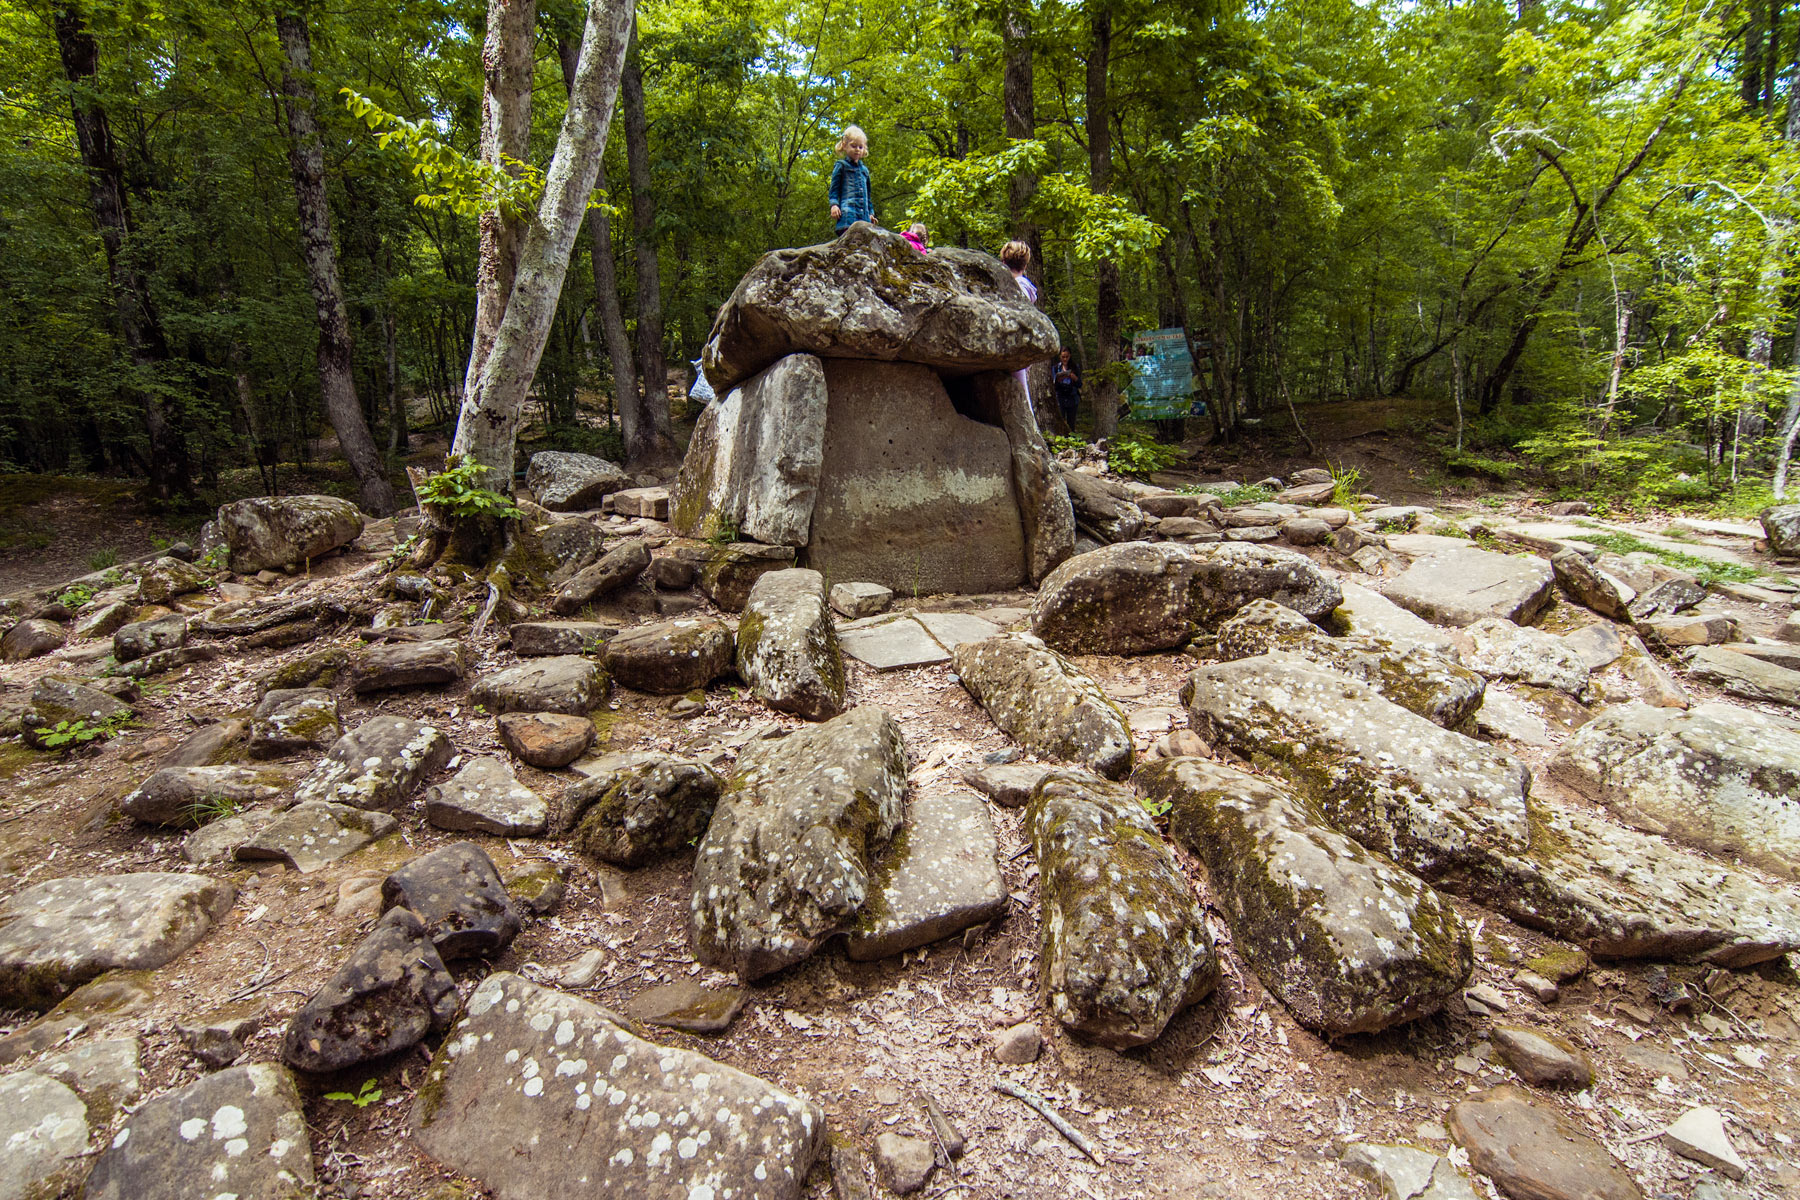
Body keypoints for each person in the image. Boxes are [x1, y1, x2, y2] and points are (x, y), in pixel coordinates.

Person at [1001, 240, 1038, 399]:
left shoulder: (1018, 286)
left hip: (1014, 347)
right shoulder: (1021, 285)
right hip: (1018, 349)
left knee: (1021, 396)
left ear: (1003, 261)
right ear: (1025, 264)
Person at [828, 126, 875, 234]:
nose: (857, 149)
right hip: (847, 217)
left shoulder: (864, 171)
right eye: (853, 146)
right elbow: (834, 189)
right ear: (844, 145)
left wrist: (871, 214)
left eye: (860, 147)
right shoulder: (841, 166)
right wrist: (834, 205)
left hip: (864, 218)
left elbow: (868, 196)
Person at [1053, 348, 1081, 430]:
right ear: (1060, 357)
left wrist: (1074, 378)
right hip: (1060, 398)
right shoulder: (1055, 368)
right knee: (1060, 421)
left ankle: (1071, 439)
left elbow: (1079, 384)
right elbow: (1053, 385)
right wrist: (1058, 380)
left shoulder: (1075, 367)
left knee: (1071, 422)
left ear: (1070, 356)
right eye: (1063, 357)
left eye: (1067, 357)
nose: (1065, 359)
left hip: (1072, 398)